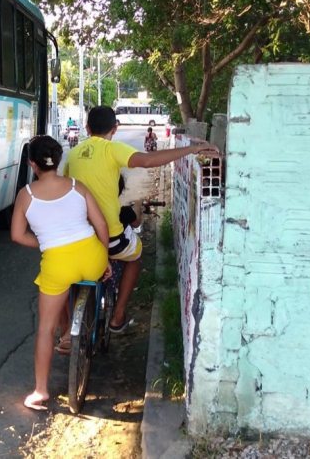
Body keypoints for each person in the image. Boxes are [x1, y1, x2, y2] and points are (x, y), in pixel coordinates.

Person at [64, 106, 218, 332]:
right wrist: (192, 149)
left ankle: (67, 331)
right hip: (110, 237)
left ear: (87, 128)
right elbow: (147, 161)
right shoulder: (111, 149)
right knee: (135, 255)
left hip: (77, 235)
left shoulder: (74, 153)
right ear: (115, 129)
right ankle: (118, 316)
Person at [10, 135, 112, 411]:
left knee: (46, 328)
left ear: (32, 164)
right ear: (58, 160)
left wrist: (45, 242)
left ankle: (41, 391)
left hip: (57, 263)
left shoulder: (26, 195)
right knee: (89, 279)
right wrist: (105, 259)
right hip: (92, 256)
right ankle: (89, 323)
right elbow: (100, 224)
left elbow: (17, 235)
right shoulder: (77, 186)